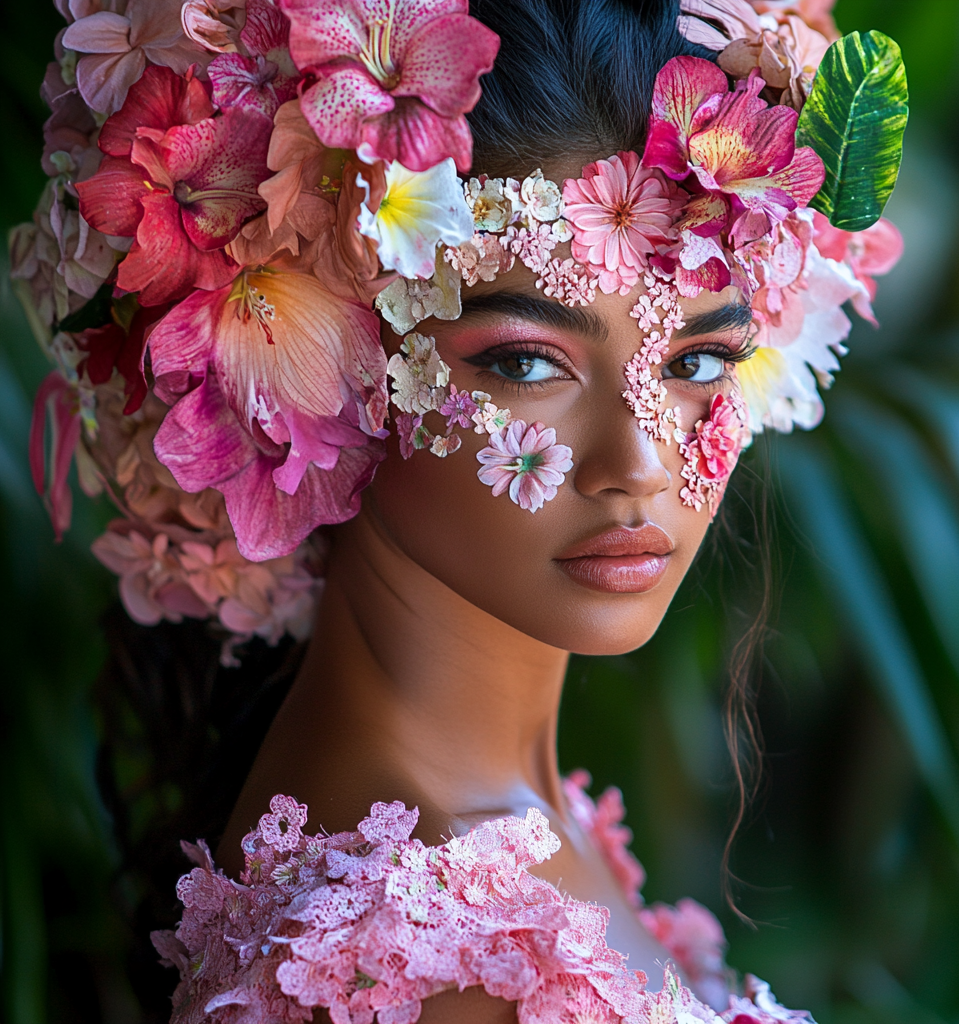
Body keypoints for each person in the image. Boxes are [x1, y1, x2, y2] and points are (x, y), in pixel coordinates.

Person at [12, 0, 906, 1020]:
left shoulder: (478, 850)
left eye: (697, 361)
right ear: (310, 364)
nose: (639, 464)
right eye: (527, 363)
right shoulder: (427, 969)